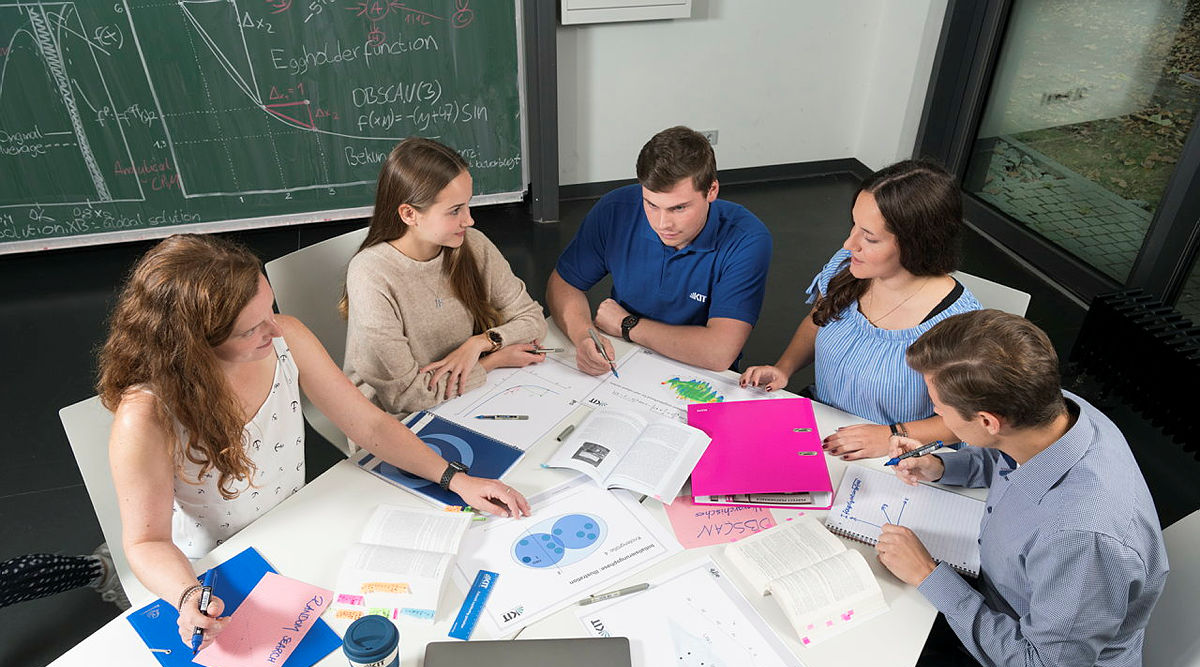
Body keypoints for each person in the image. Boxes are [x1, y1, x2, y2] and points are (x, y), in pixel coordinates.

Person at [100, 234, 530, 649]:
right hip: (214, 567)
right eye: (251, 329)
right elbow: (145, 542)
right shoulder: (145, 417)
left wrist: (456, 479)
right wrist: (188, 597)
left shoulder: (285, 337)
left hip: (298, 523)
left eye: (270, 309)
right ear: (195, 344)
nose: (273, 329)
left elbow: (370, 426)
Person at [874, 309, 1167, 667]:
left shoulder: (1081, 536)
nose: (933, 414)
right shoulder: (1057, 410)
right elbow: (1007, 459)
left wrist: (930, 575)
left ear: (989, 421)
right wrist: (942, 465)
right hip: (1004, 605)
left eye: (939, 407)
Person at [740, 160, 982, 460]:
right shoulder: (850, 265)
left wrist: (892, 434)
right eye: (854, 225)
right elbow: (818, 321)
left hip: (898, 457)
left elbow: (967, 424)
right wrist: (783, 368)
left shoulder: (960, 327)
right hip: (824, 428)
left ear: (916, 244)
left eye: (869, 237)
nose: (849, 243)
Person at [341, 138, 547, 415]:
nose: (469, 219)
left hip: (459, 397)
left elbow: (532, 319)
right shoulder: (370, 275)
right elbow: (406, 397)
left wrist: (481, 343)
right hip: (395, 419)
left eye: (467, 205)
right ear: (409, 214)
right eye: (454, 211)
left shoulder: (472, 245)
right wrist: (491, 362)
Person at [547, 125, 772, 374]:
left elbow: (718, 352)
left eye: (679, 208)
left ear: (712, 191)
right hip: (623, 355)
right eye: (651, 205)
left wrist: (627, 325)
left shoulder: (747, 239)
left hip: (697, 371)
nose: (662, 224)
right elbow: (564, 284)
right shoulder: (615, 209)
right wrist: (584, 336)